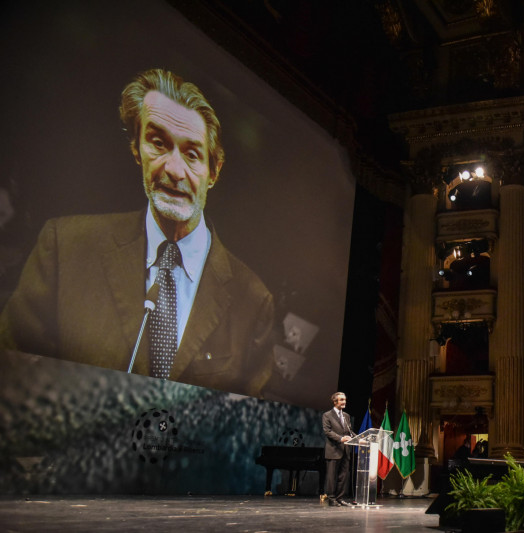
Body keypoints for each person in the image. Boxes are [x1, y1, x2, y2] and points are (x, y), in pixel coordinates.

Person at [0, 69, 274, 397]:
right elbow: (11, 385)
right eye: (158, 143)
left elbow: (241, 434)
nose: (173, 170)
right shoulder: (65, 246)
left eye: (191, 154)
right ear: (136, 149)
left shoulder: (253, 301)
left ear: (213, 171)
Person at [322, 392, 357, 507]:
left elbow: (349, 431)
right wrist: (341, 438)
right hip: (333, 450)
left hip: (345, 451)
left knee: (343, 476)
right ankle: (331, 498)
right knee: (332, 477)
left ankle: (340, 498)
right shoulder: (327, 415)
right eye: (341, 400)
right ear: (335, 401)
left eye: (345, 399)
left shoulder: (346, 416)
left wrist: (358, 439)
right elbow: (328, 431)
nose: (344, 402)